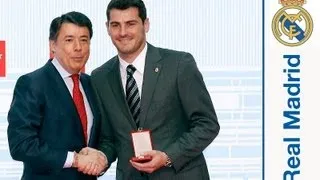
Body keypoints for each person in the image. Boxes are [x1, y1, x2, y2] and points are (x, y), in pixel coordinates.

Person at [89, 0, 220, 179]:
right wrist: (102, 157)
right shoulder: (99, 77)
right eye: (115, 25)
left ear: (146, 24)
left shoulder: (179, 65)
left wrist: (168, 157)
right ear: (107, 28)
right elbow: (109, 139)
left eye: (130, 24)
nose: (122, 32)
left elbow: (207, 124)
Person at [7, 11, 107, 180]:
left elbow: (101, 138)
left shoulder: (91, 84)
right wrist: (74, 160)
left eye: (84, 40)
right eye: (69, 40)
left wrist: (101, 160)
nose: (78, 47)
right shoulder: (32, 84)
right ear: (52, 45)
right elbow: (21, 145)